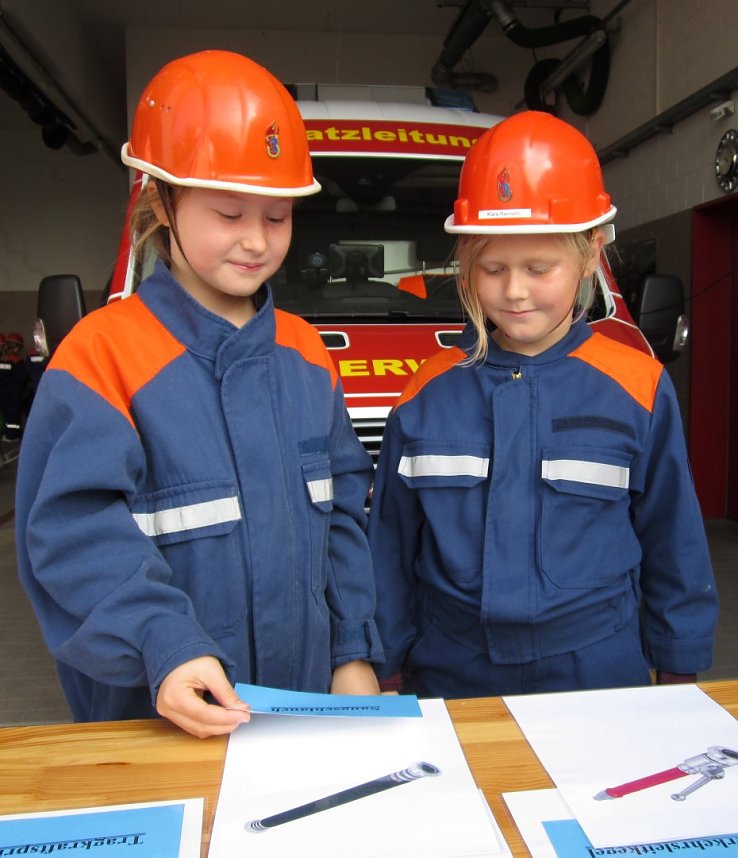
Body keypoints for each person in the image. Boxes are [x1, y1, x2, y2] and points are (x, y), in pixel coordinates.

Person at [15, 50, 383, 738]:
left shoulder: (306, 355)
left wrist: (351, 648)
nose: (255, 240)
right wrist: (164, 642)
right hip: (156, 714)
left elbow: (341, 522)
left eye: (277, 217)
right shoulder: (103, 357)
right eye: (229, 212)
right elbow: (70, 537)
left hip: (299, 711)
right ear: (159, 201)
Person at [368, 111, 718, 699]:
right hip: (451, 670)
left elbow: (672, 539)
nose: (515, 291)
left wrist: (678, 668)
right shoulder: (427, 394)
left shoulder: (638, 386)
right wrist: (383, 662)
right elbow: (390, 547)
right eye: (493, 268)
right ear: (466, 263)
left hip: (597, 671)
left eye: (539, 267)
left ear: (590, 253)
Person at [0, 332, 29, 442]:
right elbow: (23, 377)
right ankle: (12, 435)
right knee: (11, 415)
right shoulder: (15, 360)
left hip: (9, 392)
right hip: (12, 392)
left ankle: (12, 435)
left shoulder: (12, 360)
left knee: (10, 415)